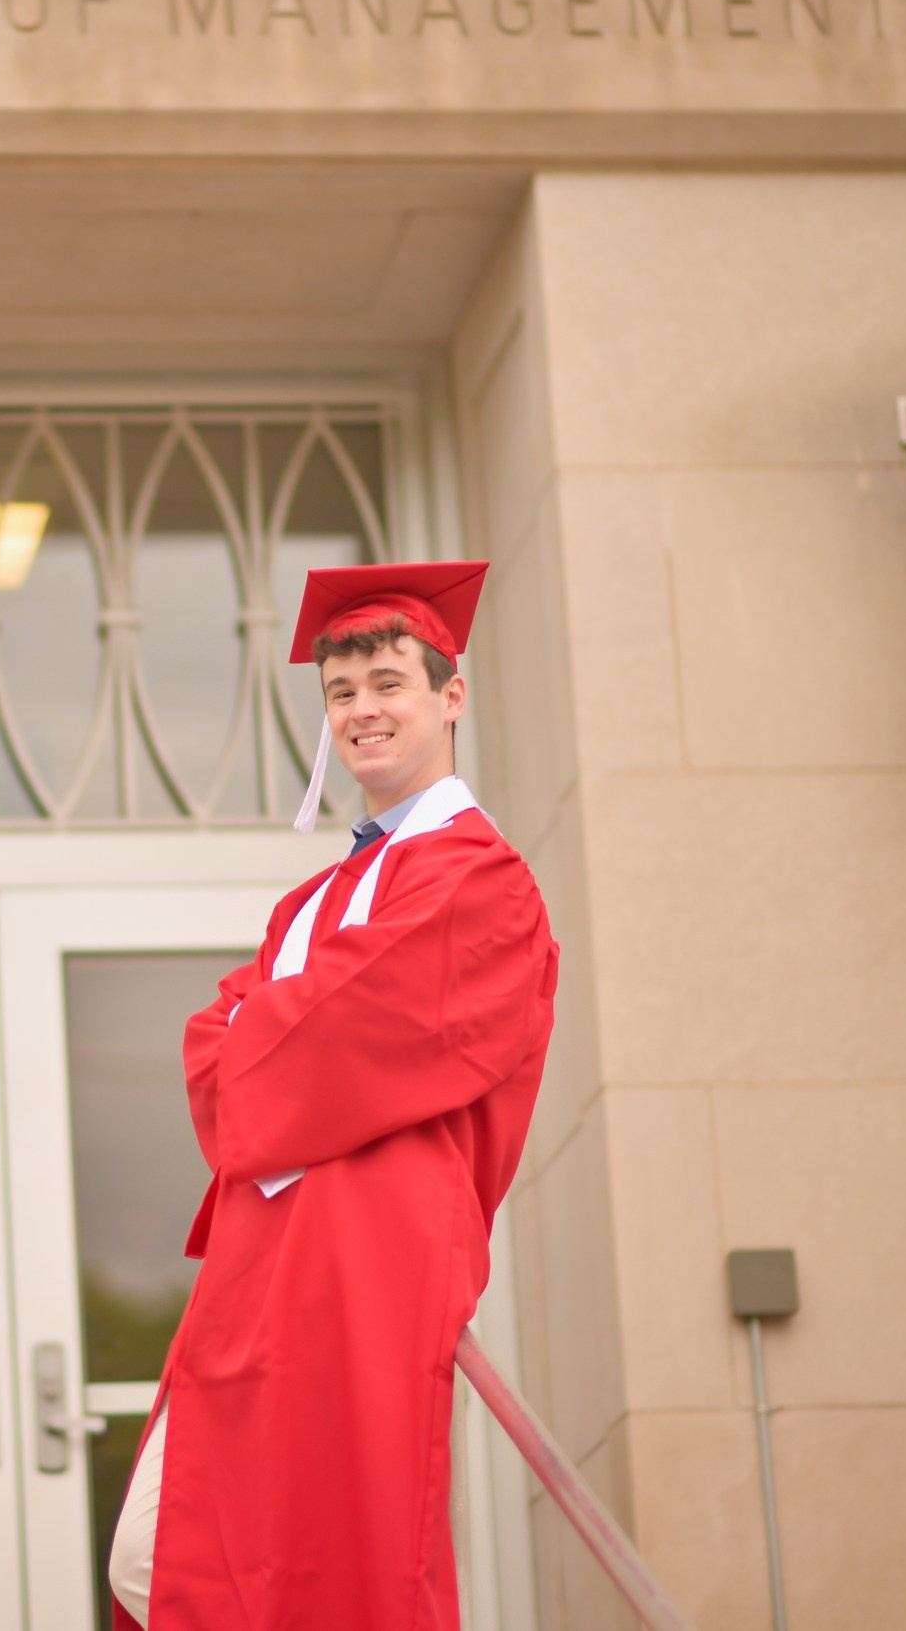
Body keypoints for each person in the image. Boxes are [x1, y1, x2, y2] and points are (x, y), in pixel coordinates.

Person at [105, 560, 558, 1631]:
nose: (362, 711)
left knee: (327, 1560)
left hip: (367, 1251)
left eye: (388, 683)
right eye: (341, 693)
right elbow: (218, 1053)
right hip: (265, 1254)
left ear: (450, 697)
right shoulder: (317, 897)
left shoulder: (479, 879)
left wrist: (260, 1031)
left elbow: (297, 1046)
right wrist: (265, 1032)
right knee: (172, 1556)